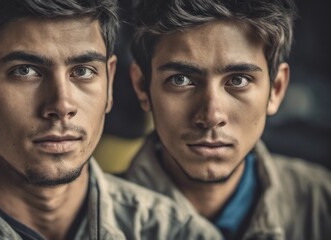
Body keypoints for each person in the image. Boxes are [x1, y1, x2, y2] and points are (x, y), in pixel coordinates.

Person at [0, 0, 222, 239]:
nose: (61, 104)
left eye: (82, 72)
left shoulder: (177, 233)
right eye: (25, 71)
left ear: (109, 83)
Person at [125, 0, 331, 239]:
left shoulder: (322, 203)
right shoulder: (93, 220)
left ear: (276, 89)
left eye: (238, 80)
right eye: (180, 80)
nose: (211, 116)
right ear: (142, 87)